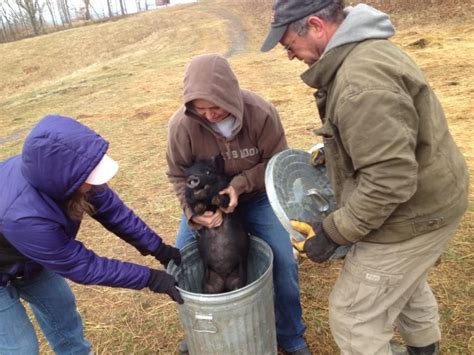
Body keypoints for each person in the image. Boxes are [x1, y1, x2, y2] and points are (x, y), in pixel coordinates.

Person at [261, 1, 469, 354]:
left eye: (288, 46)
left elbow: (389, 180)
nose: (291, 57)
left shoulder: (361, 81)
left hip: (413, 215)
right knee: (402, 285)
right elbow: (394, 135)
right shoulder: (366, 51)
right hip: (434, 196)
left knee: (354, 314)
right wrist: (337, 151)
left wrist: (333, 232)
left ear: (315, 25)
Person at [0, 115, 183, 354]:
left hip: (30, 259)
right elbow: (83, 266)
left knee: (63, 313)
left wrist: (160, 249)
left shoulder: (67, 174)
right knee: (21, 348)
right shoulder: (23, 216)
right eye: (90, 177)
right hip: (10, 254)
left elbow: (114, 213)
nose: (96, 182)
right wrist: (151, 278)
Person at [166, 53, 310, 355]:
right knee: (183, 262)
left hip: (256, 198)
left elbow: (277, 163)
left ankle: (290, 333)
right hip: (207, 207)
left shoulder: (260, 113)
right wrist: (193, 214)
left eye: (215, 106)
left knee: (282, 261)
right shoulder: (182, 125)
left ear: (230, 94)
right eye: (199, 108)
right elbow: (178, 174)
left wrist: (240, 185)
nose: (209, 115)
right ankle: (199, 331)